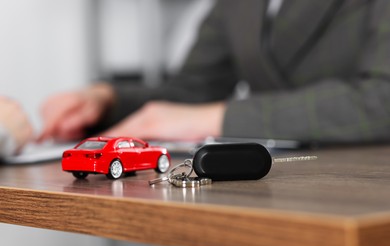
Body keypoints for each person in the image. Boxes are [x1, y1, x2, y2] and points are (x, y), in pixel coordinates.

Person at [39, 0, 390, 145]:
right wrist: (106, 99)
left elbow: (381, 100)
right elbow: (192, 92)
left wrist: (216, 119)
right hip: (273, 191)